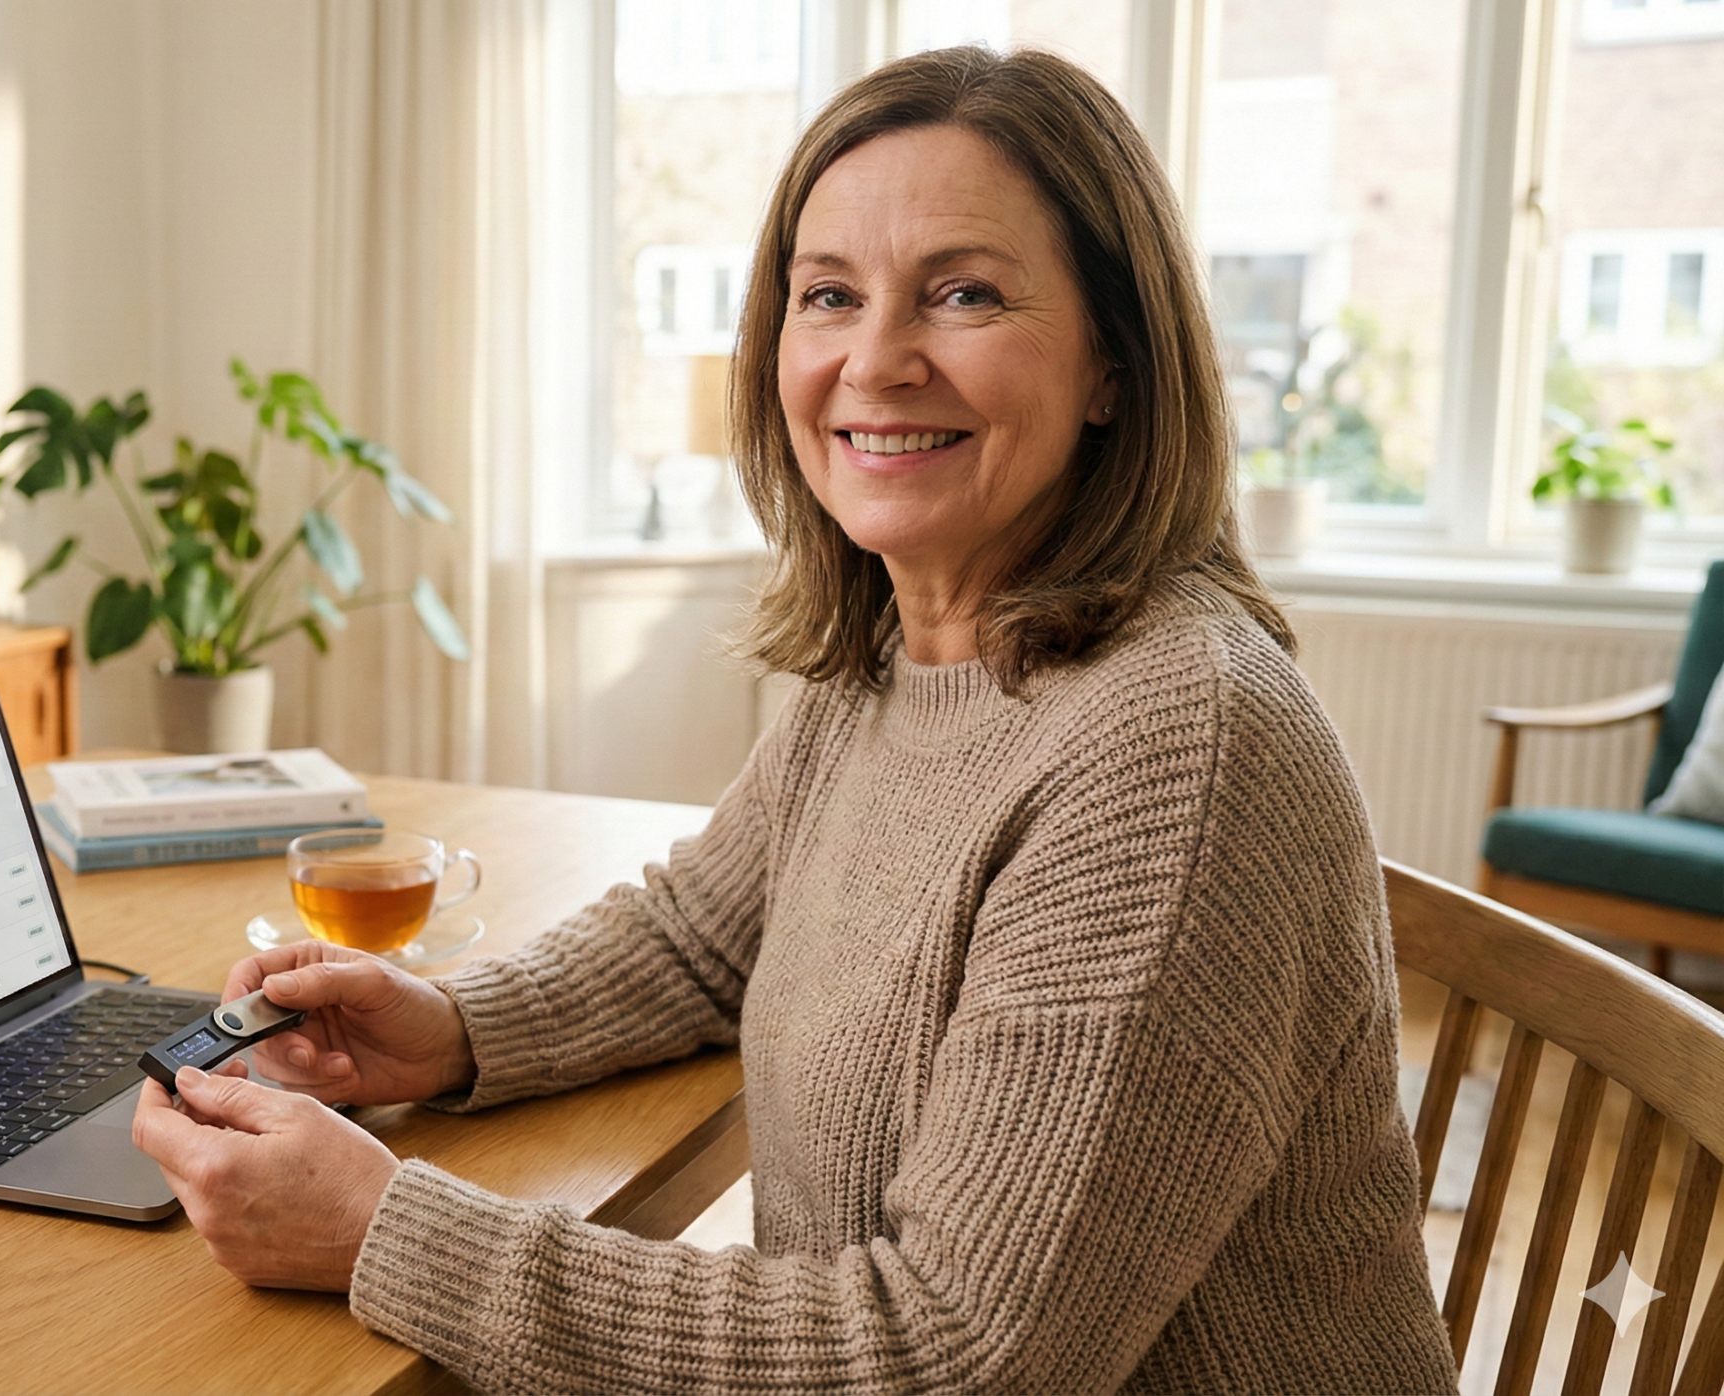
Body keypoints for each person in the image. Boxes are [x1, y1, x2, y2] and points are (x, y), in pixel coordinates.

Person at [132, 45, 1456, 1395]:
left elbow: (954, 1358)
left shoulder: (1174, 744)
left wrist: (386, 1230)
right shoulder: (893, 649)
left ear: (1115, 363)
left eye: (965, 293)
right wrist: (457, 1029)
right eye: (829, 296)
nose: (875, 361)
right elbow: (707, 935)